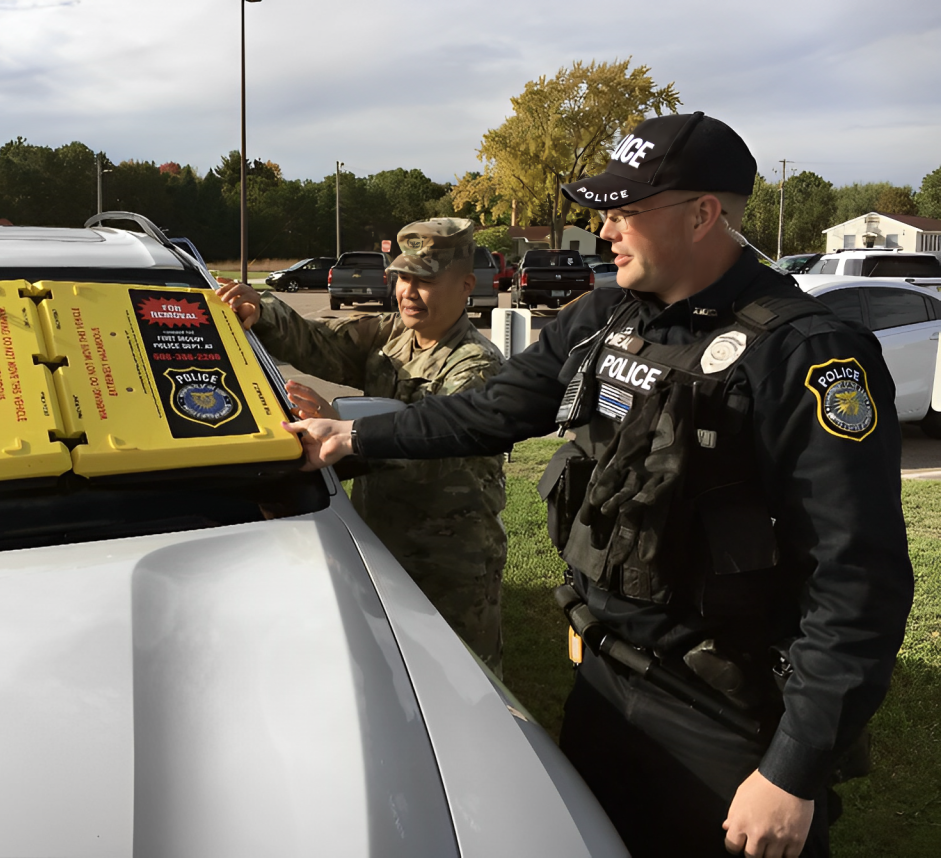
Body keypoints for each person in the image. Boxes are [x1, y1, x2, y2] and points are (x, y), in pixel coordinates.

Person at [280, 113, 914, 857]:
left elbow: (857, 581)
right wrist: (353, 435)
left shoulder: (805, 353)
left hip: (721, 709)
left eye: (624, 213)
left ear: (702, 214)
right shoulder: (606, 314)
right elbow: (493, 410)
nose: (605, 231)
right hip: (604, 677)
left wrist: (794, 770)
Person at [215, 218, 509, 671]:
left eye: (425, 280)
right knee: (392, 674)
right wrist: (261, 308)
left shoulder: (477, 365)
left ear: (466, 284)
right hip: (382, 542)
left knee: (460, 683)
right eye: (403, 277)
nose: (408, 291)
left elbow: (439, 447)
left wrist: (345, 430)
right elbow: (320, 342)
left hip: (450, 563)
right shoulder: (392, 334)